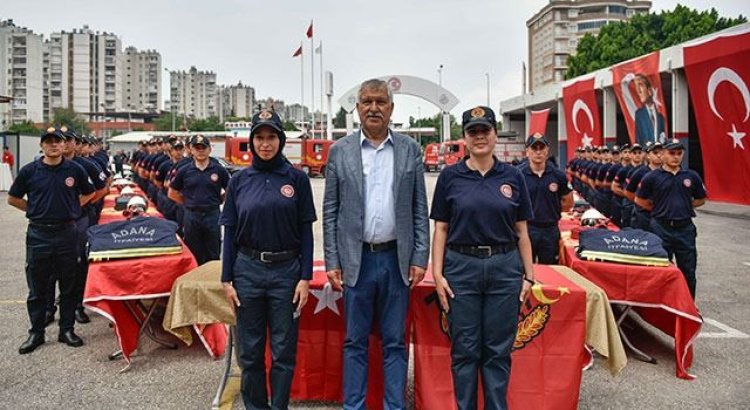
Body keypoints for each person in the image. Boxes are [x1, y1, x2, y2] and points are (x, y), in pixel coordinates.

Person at [323, 78, 429, 409]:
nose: (373, 108)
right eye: (366, 101)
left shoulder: (410, 150)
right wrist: (332, 260)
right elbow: (330, 212)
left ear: (391, 108)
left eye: (380, 102)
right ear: (357, 109)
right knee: (355, 341)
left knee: (395, 342)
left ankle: (393, 405)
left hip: (396, 260)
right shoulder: (340, 151)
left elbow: (418, 209)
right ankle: (353, 406)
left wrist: (420, 256)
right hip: (357, 261)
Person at [431, 106, 535, 410]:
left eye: (485, 130)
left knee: (497, 351)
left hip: (504, 268)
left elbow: (522, 232)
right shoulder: (450, 177)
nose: (479, 137)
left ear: (494, 134)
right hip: (461, 268)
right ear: (464, 137)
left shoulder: (513, 176)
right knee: (465, 350)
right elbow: (441, 228)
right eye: (472, 132)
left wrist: (528, 276)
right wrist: (437, 275)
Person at [220, 110, 316, 409]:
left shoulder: (297, 179)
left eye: (271, 136)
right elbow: (230, 231)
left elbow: (306, 231)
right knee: (250, 353)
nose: (265, 143)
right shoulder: (239, 181)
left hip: (286, 272)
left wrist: (305, 277)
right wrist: (226, 278)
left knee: (283, 351)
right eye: (259, 137)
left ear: (280, 140)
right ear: (251, 142)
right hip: (247, 271)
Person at [7, 125, 95, 354]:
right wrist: (34, 210)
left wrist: (73, 209)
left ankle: (66, 329)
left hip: (67, 232)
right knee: (38, 286)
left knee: (68, 284)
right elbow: (13, 198)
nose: (54, 145)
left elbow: (90, 192)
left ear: (63, 144)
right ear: (42, 145)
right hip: (39, 234)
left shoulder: (74, 170)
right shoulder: (29, 171)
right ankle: (36, 332)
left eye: (57, 141)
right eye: (48, 141)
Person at [635, 139, 706, 298]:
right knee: (660, 269)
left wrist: (685, 207)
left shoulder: (691, 176)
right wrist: (659, 209)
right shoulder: (652, 177)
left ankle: (688, 307)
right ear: (663, 154)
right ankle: (663, 306)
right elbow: (639, 200)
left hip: (684, 228)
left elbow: (701, 199)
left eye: (679, 153)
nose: (676, 157)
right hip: (660, 227)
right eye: (671, 153)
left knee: (688, 270)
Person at [168, 134, 230, 264]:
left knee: (213, 251)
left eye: (203, 147)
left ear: (209, 150)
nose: (200, 151)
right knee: (193, 251)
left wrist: (220, 200)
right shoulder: (184, 170)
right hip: (192, 215)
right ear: (191, 150)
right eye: (197, 148)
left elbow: (230, 189)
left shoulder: (219, 170)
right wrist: (188, 202)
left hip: (212, 215)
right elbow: (172, 192)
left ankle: (212, 282)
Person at [518, 133, 573, 264]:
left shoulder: (558, 175)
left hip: (550, 229)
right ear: (527, 151)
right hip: (526, 229)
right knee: (524, 268)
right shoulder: (518, 174)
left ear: (547, 150)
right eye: (534, 148)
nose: (538, 152)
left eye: (541, 148)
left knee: (550, 268)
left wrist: (552, 210)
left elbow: (568, 201)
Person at [626, 141, 663, 230]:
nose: (659, 155)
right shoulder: (640, 172)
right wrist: (642, 204)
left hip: (661, 215)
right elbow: (629, 192)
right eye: (655, 153)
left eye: (661, 153)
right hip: (644, 215)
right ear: (648, 155)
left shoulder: (666, 173)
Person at [634, 74, 666, 146]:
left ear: (650, 90)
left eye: (640, 85)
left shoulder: (661, 116)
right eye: (636, 87)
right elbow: (638, 139)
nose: (638, 90)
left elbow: (663, 136)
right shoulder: (639, 114)